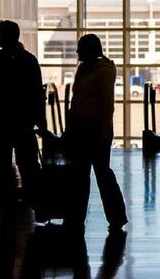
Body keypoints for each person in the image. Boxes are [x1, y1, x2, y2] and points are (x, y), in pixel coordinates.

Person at [0, 20, 47, 231]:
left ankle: (4, 212)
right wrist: (41, 124)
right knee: (29, 167)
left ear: (2, 37)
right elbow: (36, 95)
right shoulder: (29, 60)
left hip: (0, 125)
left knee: (1, 168)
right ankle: (37, 205)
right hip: (23, 124)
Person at [65, 34, 128, 233]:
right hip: (82, 130)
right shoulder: (88, 69)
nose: (77, 52)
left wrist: (105, 132)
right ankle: (114, 217)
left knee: (94, 174)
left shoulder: (103, 71)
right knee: (89, 175)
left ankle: (81, 218)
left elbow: (107, 104)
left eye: (80, 48)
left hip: (93, 131)